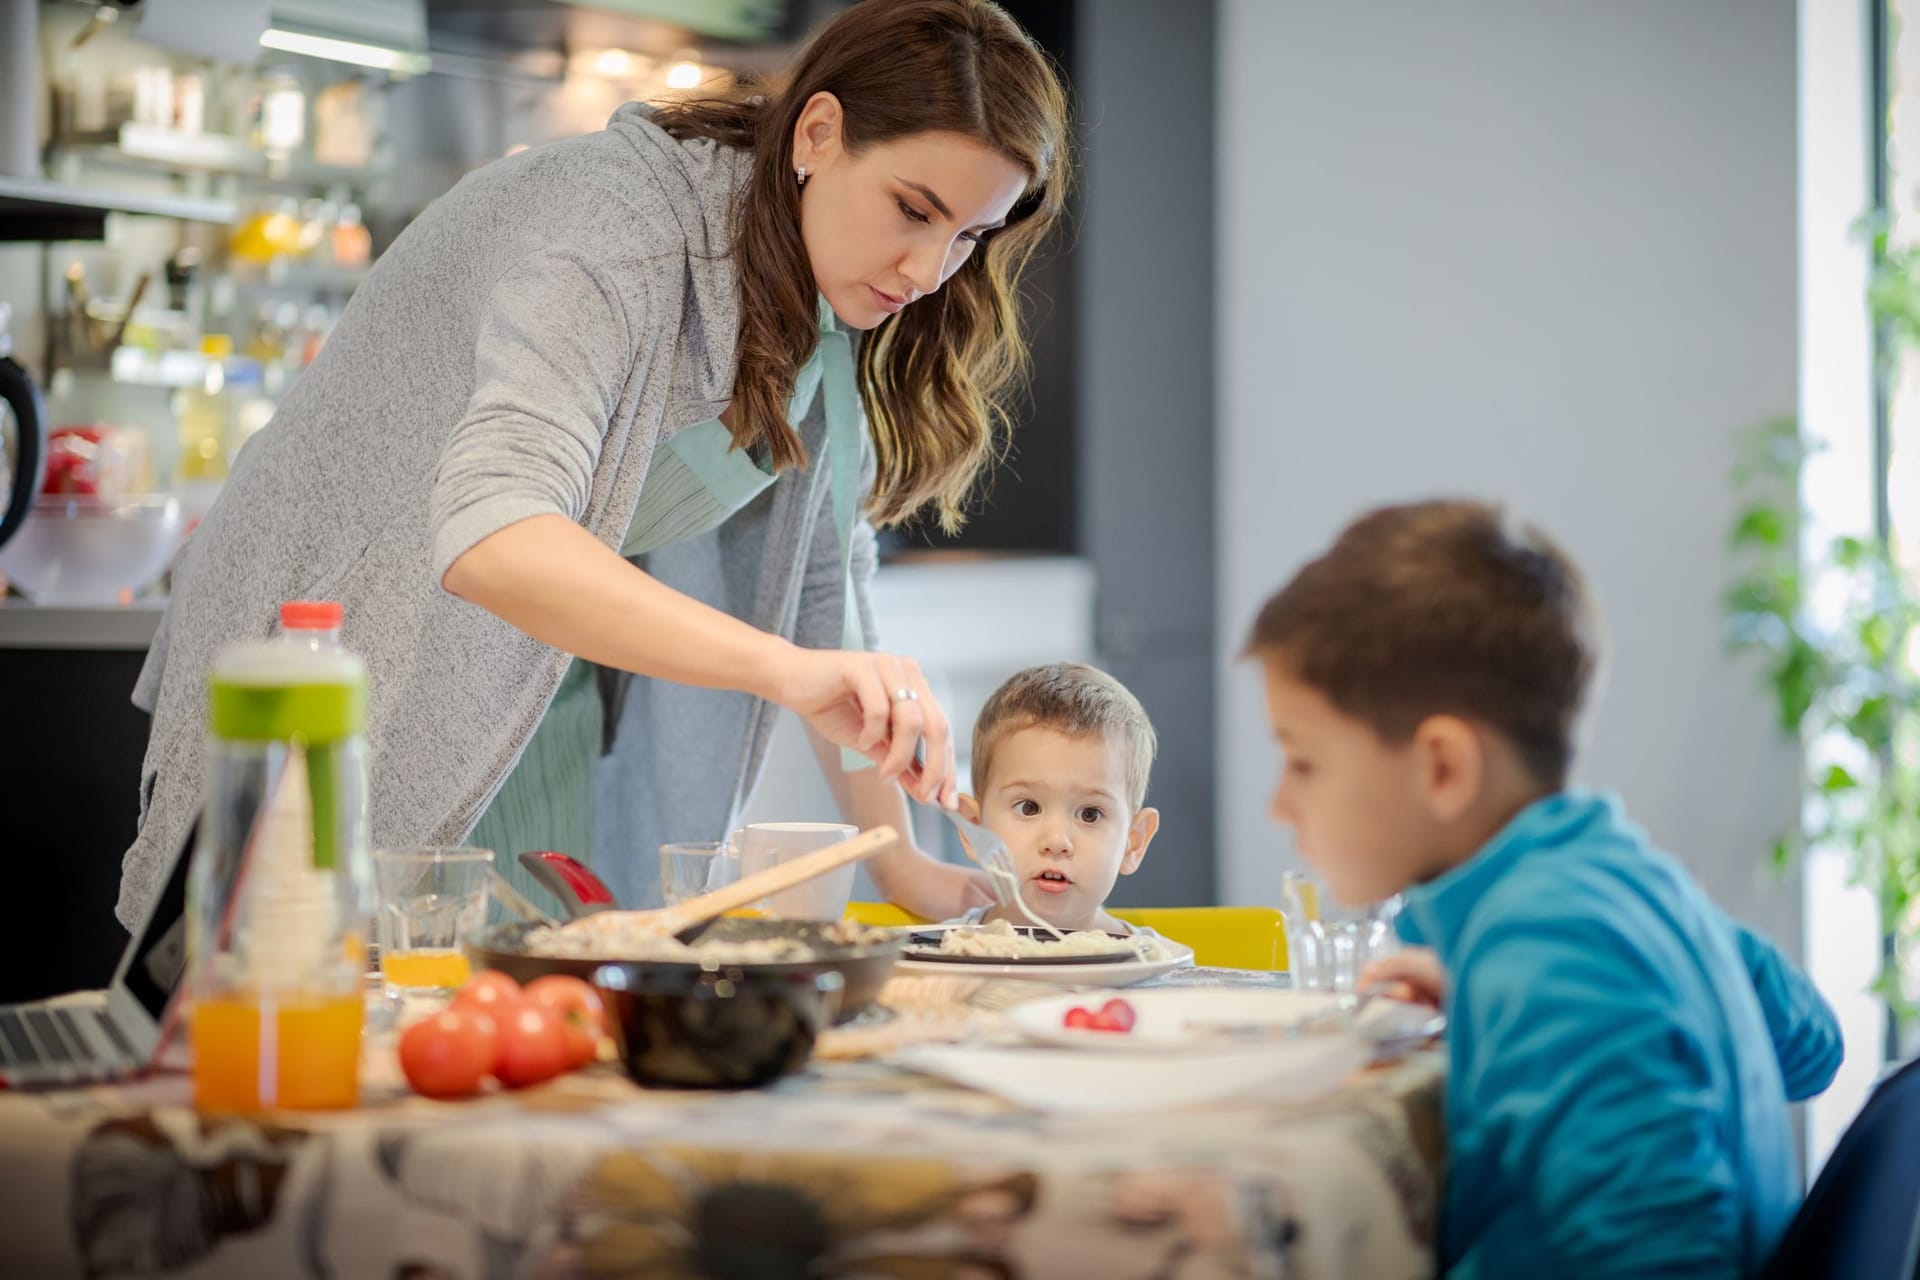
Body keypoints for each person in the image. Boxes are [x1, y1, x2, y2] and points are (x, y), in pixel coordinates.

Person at [116, 0, 1073, 926]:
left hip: (536, 670)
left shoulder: (827, 284)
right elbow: (495, 536)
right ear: (818, 133)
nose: (925, 271)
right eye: (914, 210)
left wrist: (896, 856)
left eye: (968, 237)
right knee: (298, 993)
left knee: (523, 1022)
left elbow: (824, 578)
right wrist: (784, 672)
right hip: (344, 657)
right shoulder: (614, 234)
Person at [1244, 499, 1842, 1279]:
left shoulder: (1553, 954)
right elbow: (1811, 1046)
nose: (1278, 805)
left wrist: (1529, 984)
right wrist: (1488, 986)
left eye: (1303, 761)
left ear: (1444, 769)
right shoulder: (1629, 885)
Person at [947, 662, 1160, 933]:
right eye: (1029, 807)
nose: (1057, 841)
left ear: (1134, 843)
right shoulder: (938, 957)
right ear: (974, 828)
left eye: (1089, 814)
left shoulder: (1151, 963)